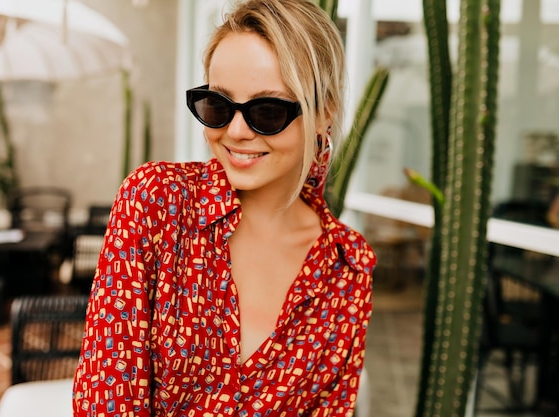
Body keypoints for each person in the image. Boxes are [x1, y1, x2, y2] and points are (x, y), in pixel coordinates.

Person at [72, 0, 376, 415]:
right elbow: (105, 401)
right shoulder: (156, 202)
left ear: (326, 114)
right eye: (217, 105)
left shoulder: (348, 267)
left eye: (268, 111)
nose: (235, 132)